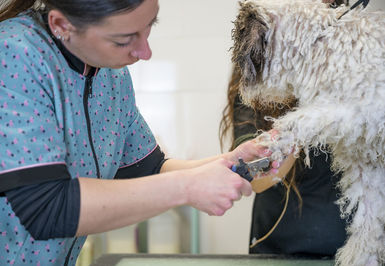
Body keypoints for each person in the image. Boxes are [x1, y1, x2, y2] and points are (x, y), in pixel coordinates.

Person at [0, 0, 270, 264]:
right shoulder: (13, 54)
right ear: (61, 25)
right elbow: (47, 208)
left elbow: (149, 169)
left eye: (150, 25)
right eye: (123, 40)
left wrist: (232, 161)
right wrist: (188, 187)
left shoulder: (110, 73)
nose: (145, 52)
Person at [220, 63, 347, 257]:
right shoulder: (254, 75)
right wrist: (299, 125)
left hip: (367, 247)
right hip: (283, 248)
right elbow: (256, 178)